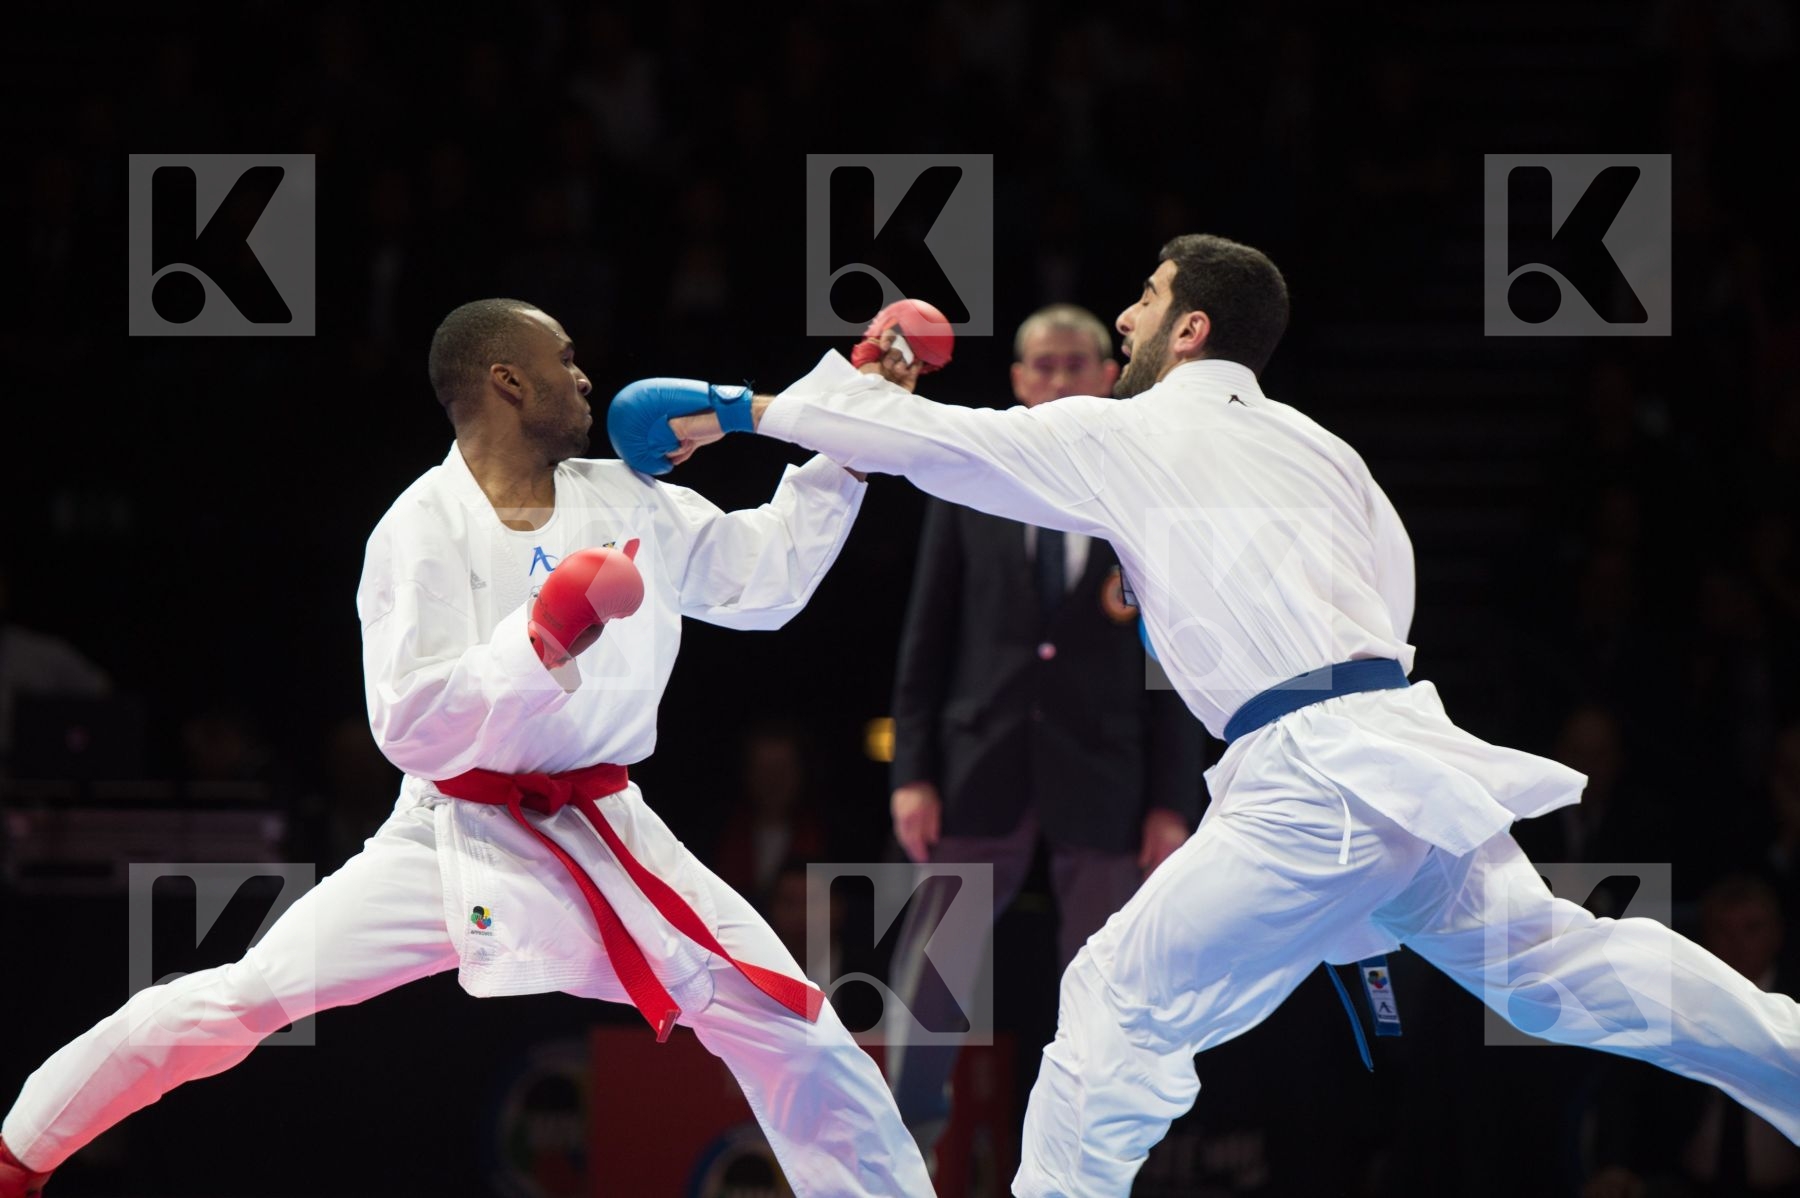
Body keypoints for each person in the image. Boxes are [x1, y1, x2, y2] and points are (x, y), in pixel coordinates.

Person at [632, 234, 1800, 1197]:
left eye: (1143, 299)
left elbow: (937, 442)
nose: (1125, 321)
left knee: (1112, 997)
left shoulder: (1135, 428)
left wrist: (745, 408)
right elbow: (1381, 610)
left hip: (1313, 779)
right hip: (1396, 753)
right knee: (1562, 970)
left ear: (1192, 328)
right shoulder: (1327, 450)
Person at [0, 300, 931, 1198]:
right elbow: (408, 724)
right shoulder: (418, 530)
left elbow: (767, 579)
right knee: (248, 999)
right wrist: (541, 639)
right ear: (507, 380)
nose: (584, 376)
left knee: (793, 1030)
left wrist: (847, 433)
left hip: (608, 835)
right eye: (564, 359)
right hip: (448, 838)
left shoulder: (626, 498)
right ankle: (20, 1153)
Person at [884, 303, 1206, 1153]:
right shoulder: (971, 479)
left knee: (1107, 979)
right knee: (934, 971)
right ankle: (901, 1144)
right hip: (978, 755)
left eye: (1076, 365)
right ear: (1021, 382)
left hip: (1105, 772)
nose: (1060, 380)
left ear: (1109, 376)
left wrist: (1172, 800)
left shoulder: (1147, 488)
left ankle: (1093, 1147)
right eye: (1044, 366)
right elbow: (926, 634)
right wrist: (909, 770)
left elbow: (1172, 662)